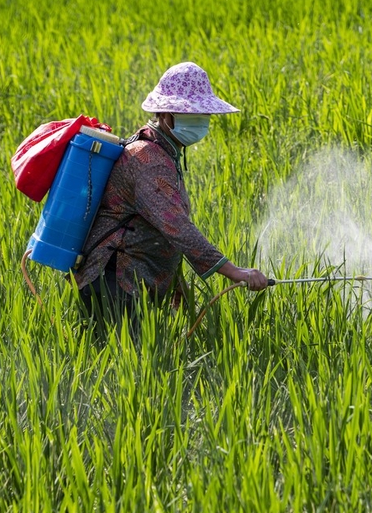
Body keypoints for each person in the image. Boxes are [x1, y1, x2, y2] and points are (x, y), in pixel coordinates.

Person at [74, 62, 268, 337]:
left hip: (135, 284)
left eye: (204, 114)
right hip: (115, 283)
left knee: (145, 368)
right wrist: (235, 272)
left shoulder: (165, 152)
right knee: (129, 373)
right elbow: (176, 227)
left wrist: (178, 290)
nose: (201, 121)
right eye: (191, 113)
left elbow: (160, 231)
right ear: (165, 114)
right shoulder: (147, 160)